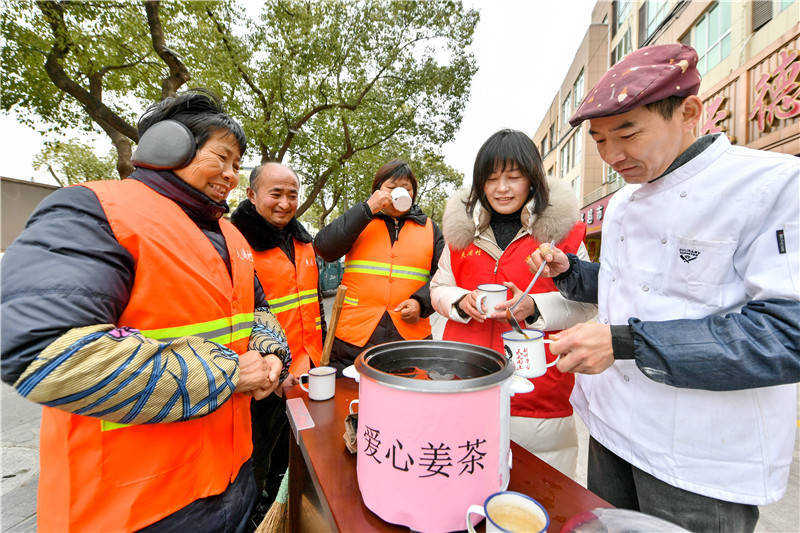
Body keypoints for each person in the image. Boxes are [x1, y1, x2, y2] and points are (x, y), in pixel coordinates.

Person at [527, 44, 799, 533]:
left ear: (689, 112)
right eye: (600, 141)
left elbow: (786, 334)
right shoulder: (626, 202)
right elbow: (629, 287)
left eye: (627, 133)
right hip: (611, 429)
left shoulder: (771, 185)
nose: (612, 155)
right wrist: (568, 269)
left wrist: (624, 342)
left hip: (699, 460)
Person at [0, 90, 292, 533]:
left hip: (232, 480)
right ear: (169, 144)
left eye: (238, 165)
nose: (232, 176)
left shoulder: (231, 236)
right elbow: (43, 350)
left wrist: (270, 351)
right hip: (133, 509)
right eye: (223, 158)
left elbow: (259, 311)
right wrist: (232, 373)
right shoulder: (95, 210)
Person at [430, 129, 596, 477]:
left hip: (539, 392)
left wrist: (534, 307)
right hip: (466, 380)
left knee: (539, 503)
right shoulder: (460, 236)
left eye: (513, 177)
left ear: (533, 179)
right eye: (491, 179)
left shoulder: (565, 234)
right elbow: (439, 287)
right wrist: (461, 301)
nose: (501, 188)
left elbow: (585, 306)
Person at [231, 162, 326, 515]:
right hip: (263, 378)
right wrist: (270, 365)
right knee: (254, 458)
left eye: (292, 195)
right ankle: (252, 517)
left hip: (305, 369)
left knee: (291, 453)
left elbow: (314, 304)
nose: (285, 203)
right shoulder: (235, 243)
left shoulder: (303, 241)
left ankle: (279, 510)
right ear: (252, 194)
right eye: (276, 194)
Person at [313, 159, 445, 373]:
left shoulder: (429, 228)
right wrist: (368, 208)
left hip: (410, 339)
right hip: (353, 339)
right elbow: (324, 248)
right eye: (392, 188)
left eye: (407, 189)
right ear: (377, 191)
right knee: (349, 401)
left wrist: (422, 303)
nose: (400, 193)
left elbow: (446, 276)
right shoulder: (360, 220)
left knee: (409, 400)